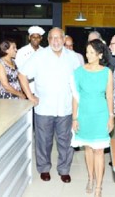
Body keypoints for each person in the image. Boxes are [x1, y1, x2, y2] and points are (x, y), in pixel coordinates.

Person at [18, 27, 80, 183]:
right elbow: (22, 75)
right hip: (44, 108)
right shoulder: (39, 56)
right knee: (43, 141)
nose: (55, 41)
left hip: (66, 107)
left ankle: (64, 170)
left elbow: (80, 81)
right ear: (48, 40)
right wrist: (30, 96)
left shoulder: (73, 57)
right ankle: (44, 168)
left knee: (65, 141)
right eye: (52, 38)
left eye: (58, 37)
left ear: (64, 38)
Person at [71, 39, 114, 197]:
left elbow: (109, 96)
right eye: (87, 52)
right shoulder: (79, 72)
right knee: (88, 148)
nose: (87, 55)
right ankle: (90, 178)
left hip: (101, 114)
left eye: (91, 53)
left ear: (100, 55)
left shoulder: (107, 72)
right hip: (84, 114)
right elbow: (75, 97)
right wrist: (74, 118)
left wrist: (111, 117)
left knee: (99, 151)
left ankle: (99, 187)